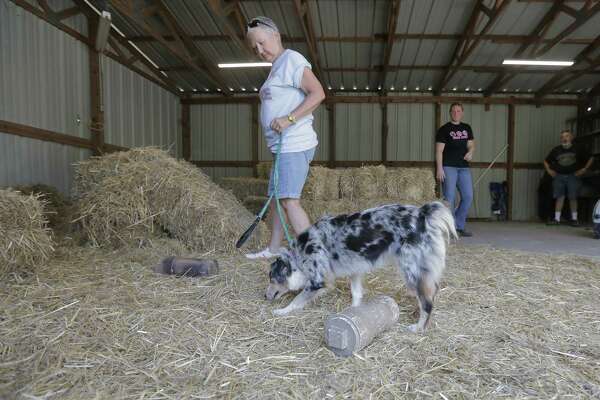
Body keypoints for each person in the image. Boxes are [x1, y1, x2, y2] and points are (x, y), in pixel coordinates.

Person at [244, 16, 325, 259]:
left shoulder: (291, 60)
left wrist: (288, 119)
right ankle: (273, 248)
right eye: (254, 47)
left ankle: (316, 257)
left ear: (276, 35)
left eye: (262, 42)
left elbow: (318, 93)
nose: (259, 50)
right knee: (278, 199)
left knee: (289, 201)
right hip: (281, 146)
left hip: (293, 143)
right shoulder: (276, 68)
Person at [435, 103, 475, 237]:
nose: (456, 113)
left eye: (458, 111)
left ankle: (458, 225)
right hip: (448, 166)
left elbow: (471, 145)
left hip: (463, 167)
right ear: (450, 113)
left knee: (468, 196)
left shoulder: (467, 128)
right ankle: (449, 228)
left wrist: (471, 152)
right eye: (453, 111)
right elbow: (439, 151)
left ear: (462, 112)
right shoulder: (444, 129)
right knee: (449, 198)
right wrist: (439, 169)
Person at [543, 130, 593, 226]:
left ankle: (574, 219)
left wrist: (585, 169)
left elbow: (591, 158)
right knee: (559, 197)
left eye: (566, 136)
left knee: (572, 197)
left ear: (571, 137)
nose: (564, 139)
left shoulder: (578, 149)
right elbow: (546, 161)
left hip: (573, 176)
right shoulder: (556, 150)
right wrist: (549, 171)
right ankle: (557, 219)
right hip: (559, 176)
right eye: (562, 137)